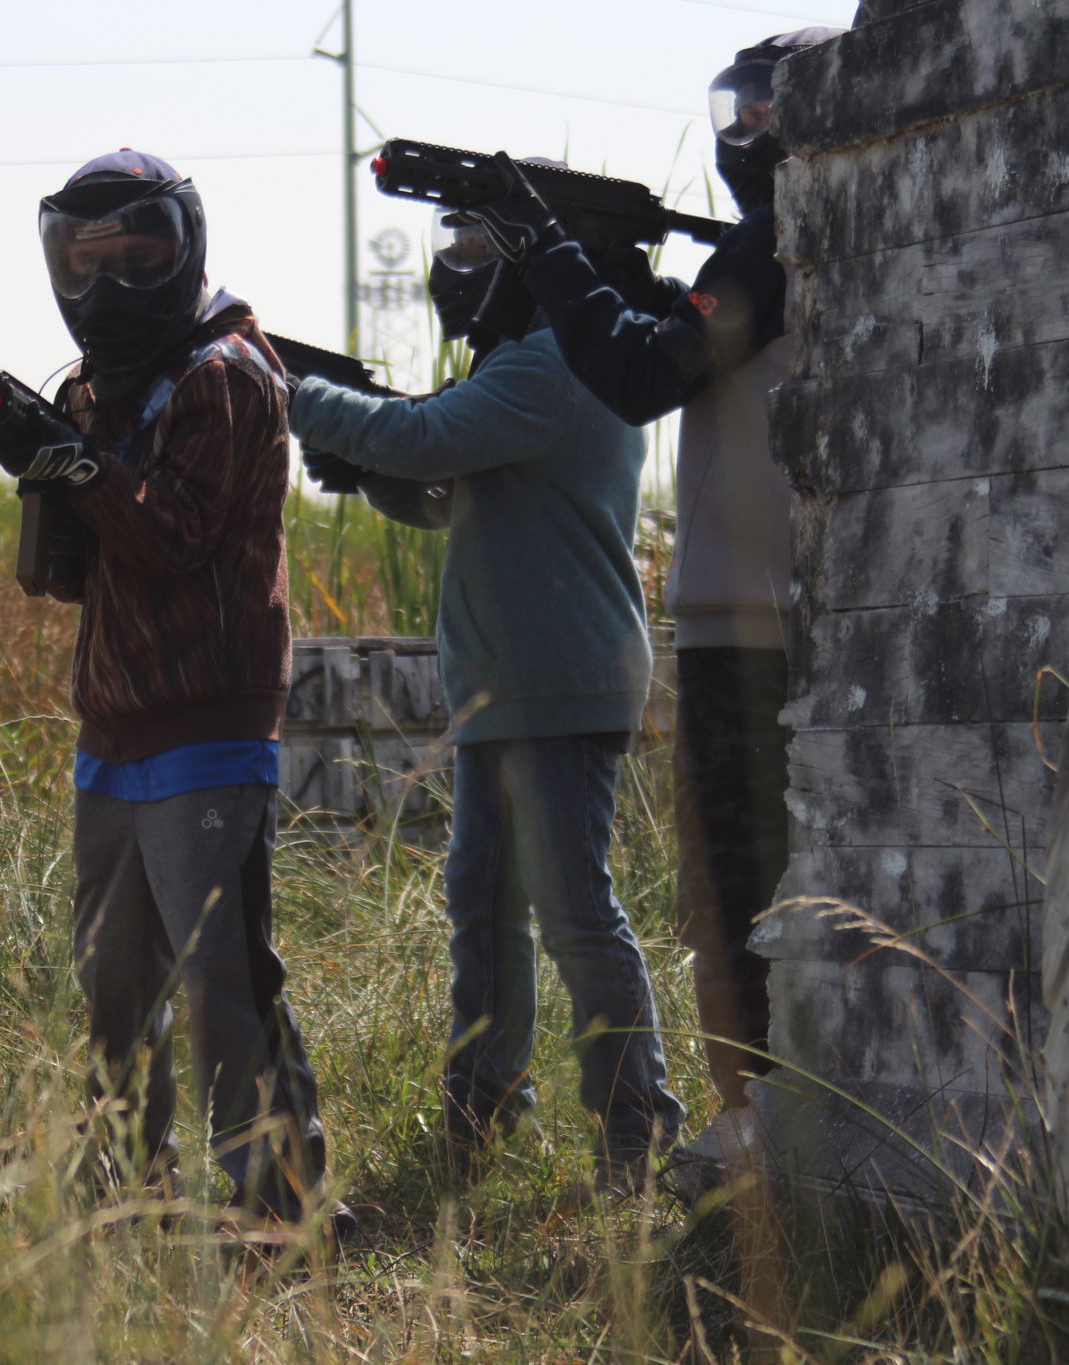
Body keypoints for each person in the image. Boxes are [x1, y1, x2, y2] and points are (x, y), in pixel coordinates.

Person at [446, 29, 844, 1108]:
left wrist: (552, 256)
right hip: (786, 614)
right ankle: (762, 1130)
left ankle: (748, 1138)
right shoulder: (797, 242)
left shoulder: (771, 242)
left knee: (730, 900)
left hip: (748, 626)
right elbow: (679, 340)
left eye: (765, 111)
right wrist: (620, 277)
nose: (745, 132)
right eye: (735, 111)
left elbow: (634, 372)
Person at [0, 149, 346, 1235]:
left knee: (221, 985)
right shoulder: (98, 385)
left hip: (206, 727)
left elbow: (175, 537)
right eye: (85, 261)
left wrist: (71, 465)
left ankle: (273, 1206)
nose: (109, 285)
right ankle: (128, 1196)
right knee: (114, 989)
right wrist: (44, 457)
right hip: (114, 725)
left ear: (182, 249)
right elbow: (75, 571)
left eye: (137, 256)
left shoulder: (226, 374)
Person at [288, 199, 687, 1192]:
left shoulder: (552, 363)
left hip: (558, 676)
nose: (455, 269)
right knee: (483, 901)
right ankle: (487, 1095)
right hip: (509, 684)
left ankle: (637, 1132)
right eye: (450, 247)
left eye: (475, 249)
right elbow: (439, 487)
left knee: (571, 913)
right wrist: (361, 462)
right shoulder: (530, 365)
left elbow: (423, 441)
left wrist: (293, 395)